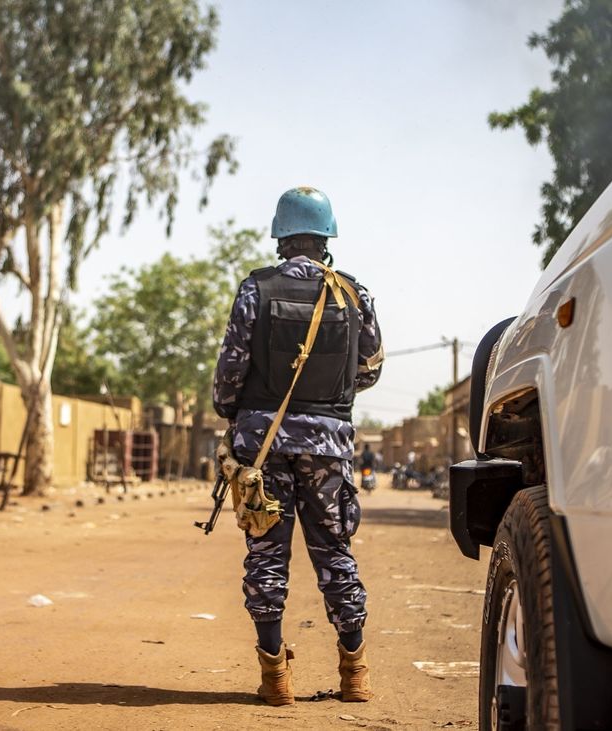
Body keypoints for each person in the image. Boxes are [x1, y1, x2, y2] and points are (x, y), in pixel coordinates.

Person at [213, 186, 384, 706]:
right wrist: (327, 403)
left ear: (281, 238)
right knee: (335, 552)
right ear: (325, 237)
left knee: (266, 556)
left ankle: (274, 679)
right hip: (328, 448)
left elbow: (230, 372)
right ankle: (354, 673)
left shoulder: (255, 290)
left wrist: (234, 413)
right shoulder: (353, 294)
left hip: (261, 448)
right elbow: (370, 369)